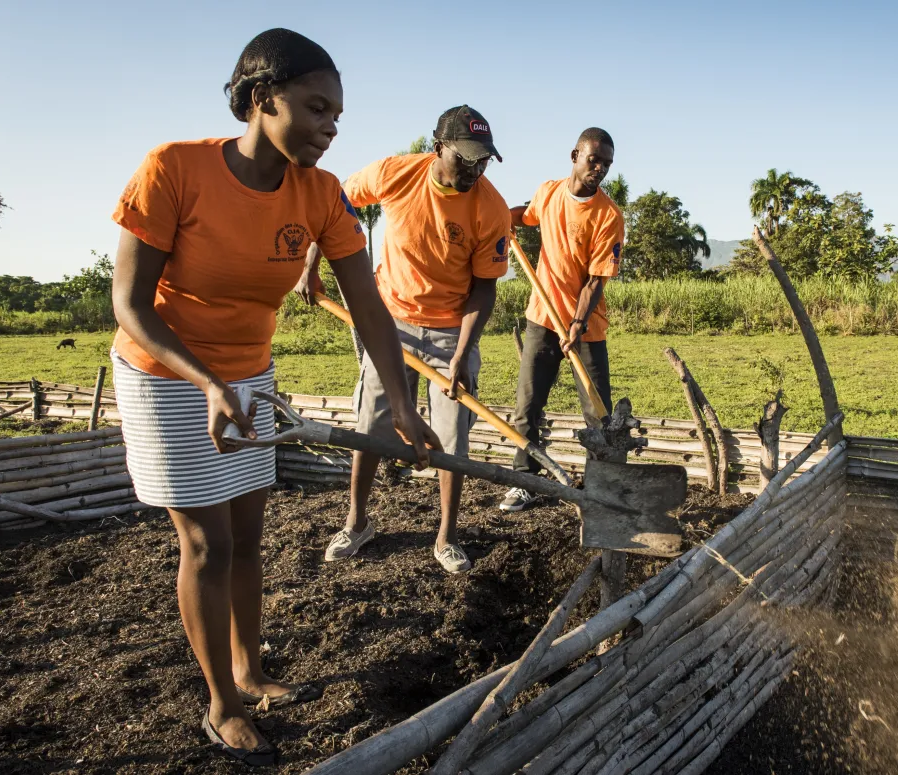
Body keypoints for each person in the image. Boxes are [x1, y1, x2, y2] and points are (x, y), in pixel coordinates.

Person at [109, 28, 437, 767]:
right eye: (316, 108)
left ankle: (250, 668)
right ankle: (221, 704)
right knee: (207, 542)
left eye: (338, 117)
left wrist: (404, 402)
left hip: (247, 375)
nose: (330, 127)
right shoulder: (173, 169)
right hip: (167, 374)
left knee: (251, 536)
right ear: (263, 99)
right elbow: (131, 305)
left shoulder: (320, 194)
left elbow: (372, 308)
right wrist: (207, 383)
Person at [306, 105, 511, 572]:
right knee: (372, 426)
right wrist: (311, 262)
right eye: (466, 159)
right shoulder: (397, 173)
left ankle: (447, 536)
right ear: (438, 148)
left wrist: (461, 354)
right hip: (388, 323)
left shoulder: (491, 208)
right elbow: (332, 203)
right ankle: (358, 522)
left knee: (452, 435)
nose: (475, 171)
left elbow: (484, 288)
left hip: (449, 332)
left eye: (483, 162)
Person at [500, 128, 624, 513]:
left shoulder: (608, 215)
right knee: (528, 405)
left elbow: (594, 280)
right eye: (594, 160)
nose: (599, 168)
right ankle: (525, 480)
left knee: (596, 411)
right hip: (542, 318)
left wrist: (576, 325)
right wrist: (502, 218)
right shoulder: (549, 192)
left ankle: (602, 488)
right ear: (575, 156)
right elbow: (527, 214)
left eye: (606, 163)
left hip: (586, 328)